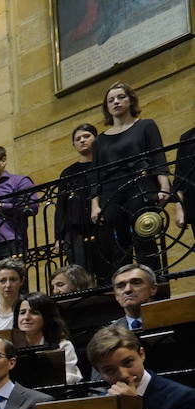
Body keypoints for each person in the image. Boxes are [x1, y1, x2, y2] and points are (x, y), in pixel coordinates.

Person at [90, 82, 178, 275]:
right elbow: (95, 175)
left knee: (145, 234)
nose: (116, 102)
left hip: (140, 183)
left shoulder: (146, 125)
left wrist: (164, 185)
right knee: (119, 243)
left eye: (121, 97)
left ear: (130, 100)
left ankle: (153, 284)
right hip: (111, 192)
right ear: (106, 107)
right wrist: (95, 205)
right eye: (111, 100)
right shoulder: (99, 141)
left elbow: (158, 156)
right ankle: (125, 286)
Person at [87, 325, 195, 409]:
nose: (123, 375)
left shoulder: (183, 398)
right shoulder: (98, 406)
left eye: (128, 362)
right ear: (99, 372)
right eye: (110, 370)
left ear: (142, 354)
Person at [53, 124, 102, 273]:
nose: (82, 140)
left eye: (86, 136)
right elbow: (61, 207)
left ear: (96, 138)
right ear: (74, 144)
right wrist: (59, 237)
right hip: (75, 229)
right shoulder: (68, 172)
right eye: (78, 139)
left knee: (105, 267)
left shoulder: (103, 165)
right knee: (80, 271)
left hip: (101, 224)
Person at [15, 295, 81, 385]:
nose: (26, 317)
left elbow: (70, 377)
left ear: (46, 317)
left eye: (34, 312)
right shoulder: (10, 347)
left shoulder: (62, 345)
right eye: (22, 312)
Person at [109, 262, 158, 330]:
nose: (127, 289)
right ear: (116, 296)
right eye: (121, 286)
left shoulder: (173, 321)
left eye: (136, 283)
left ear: (153, 289)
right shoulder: (108, 335)